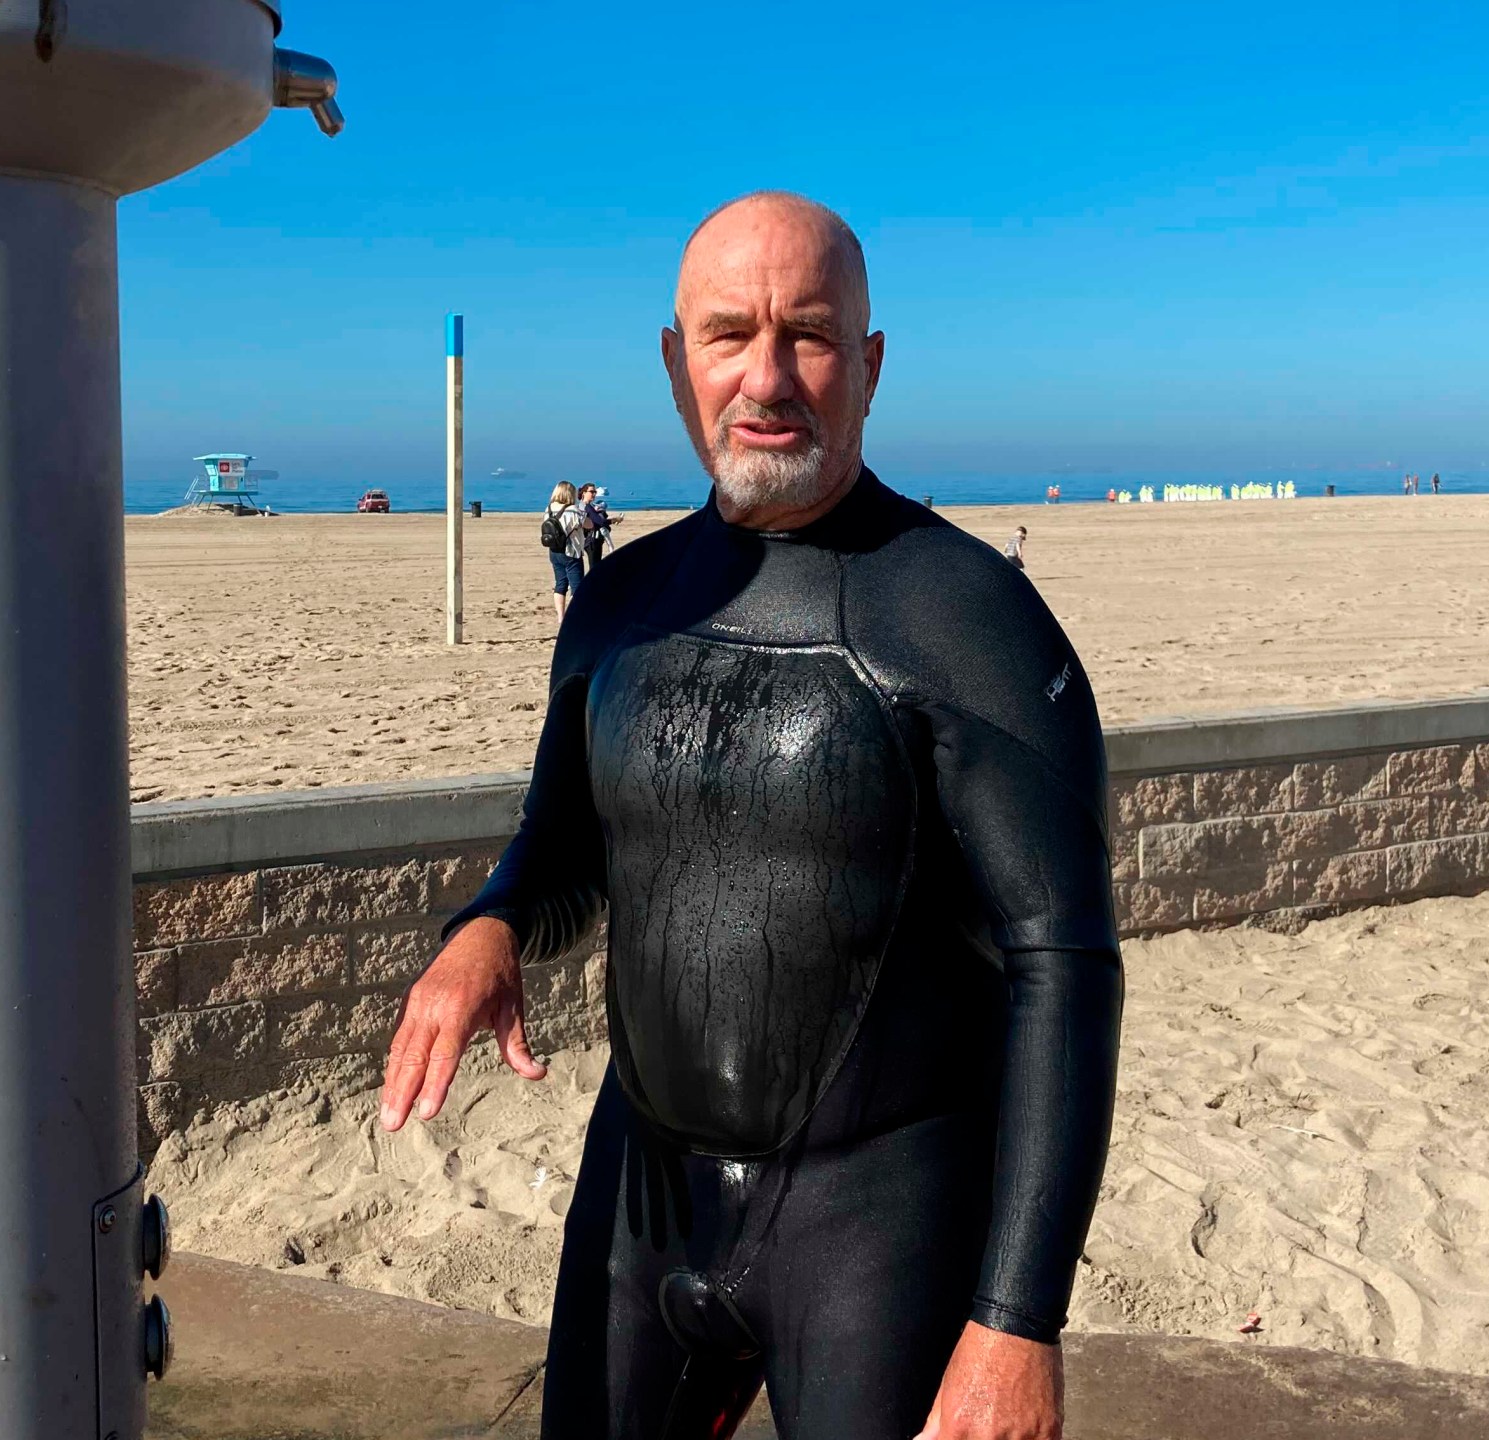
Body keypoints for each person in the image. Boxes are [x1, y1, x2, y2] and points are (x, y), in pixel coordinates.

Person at [379, 191, 1118, 1440]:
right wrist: (489, 927)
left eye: (811, 335)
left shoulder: (966, 615)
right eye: (729, 335)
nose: (767, 379)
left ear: (870, 367)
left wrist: (1016, 1323)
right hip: (641, 1192)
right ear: (677, 362)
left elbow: (1066, 964)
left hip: (877, 1225)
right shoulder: (620, 604)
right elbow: (560, 849)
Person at [541, 481, 589, 621]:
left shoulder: (549, 509)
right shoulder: (573, 509)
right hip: (571, 551)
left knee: (560, 584)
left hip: (554, 550)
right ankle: (574, 618)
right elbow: (588, 524)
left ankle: (561, 617)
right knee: (577, 586)